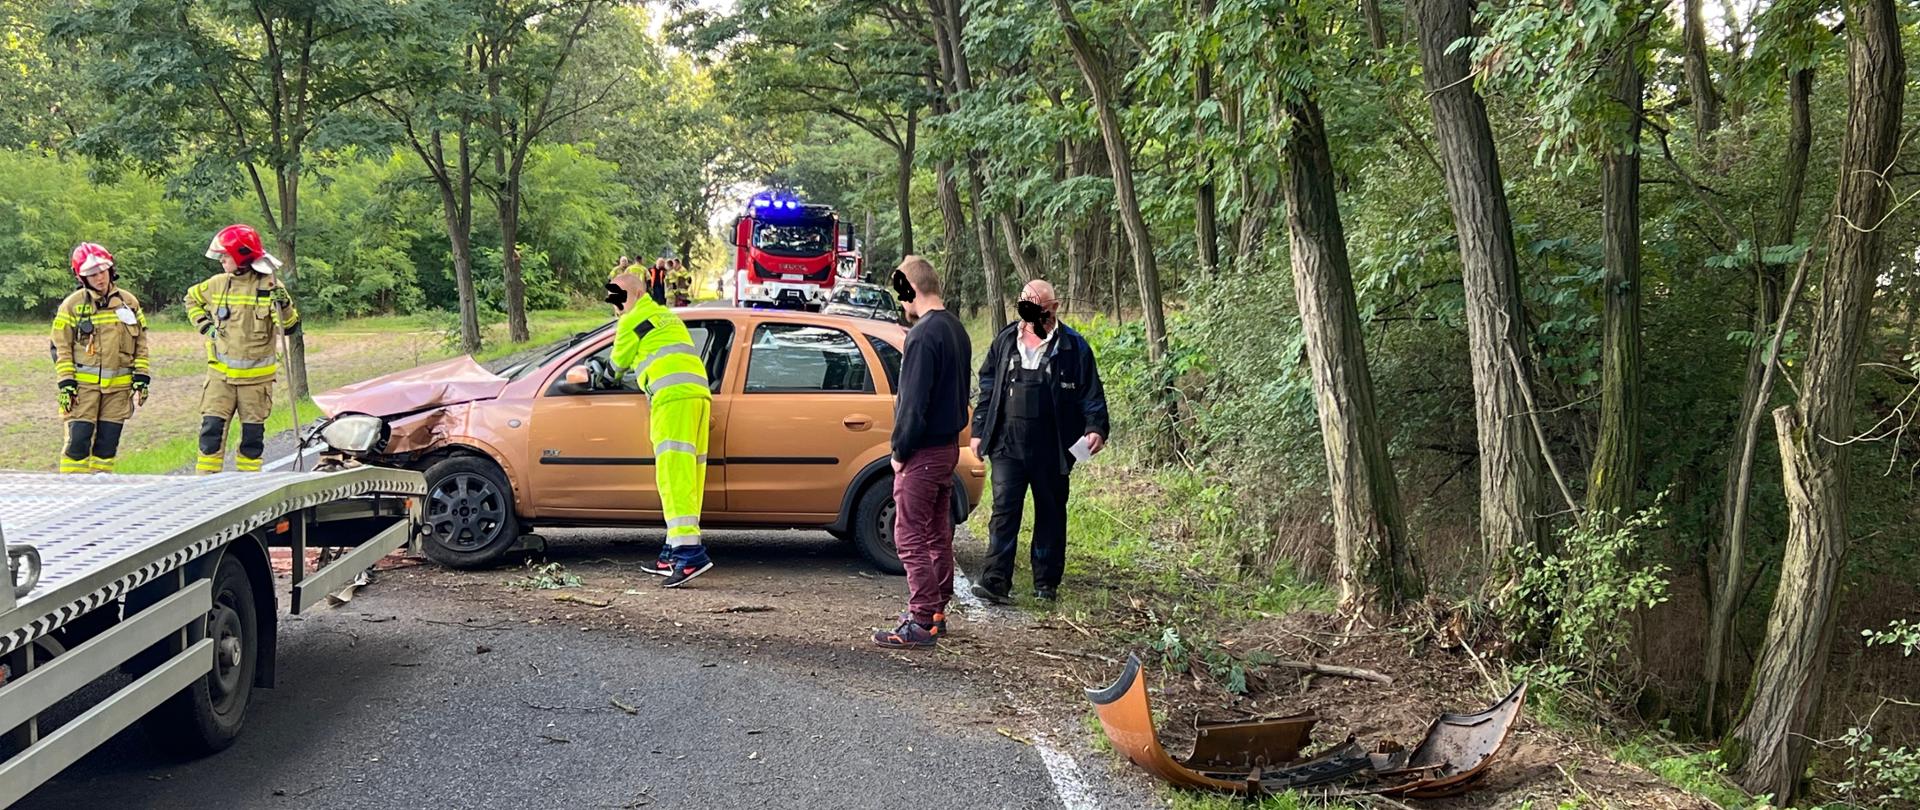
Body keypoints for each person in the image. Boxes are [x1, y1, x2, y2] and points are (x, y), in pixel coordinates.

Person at [969, 279, 1108, 604]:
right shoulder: (1005, 340)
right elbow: (987, 384)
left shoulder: (1075, 347)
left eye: (1038, 305)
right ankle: (995, 580)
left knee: (1051, 512)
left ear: (1053, 308)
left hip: (1054, 446)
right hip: (1007, 443)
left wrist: (1096, 427)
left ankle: (1046, 582)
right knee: (1004, 510)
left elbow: (1091, 394)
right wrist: (979, 428)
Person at [873, 256, 971, 649]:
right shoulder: (957, 330)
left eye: (901, 294)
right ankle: (936, 612)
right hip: (947, 447)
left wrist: (900, 450)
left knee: (909, 534)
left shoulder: (922, 335)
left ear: (911, 288)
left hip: (923, 451)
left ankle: (920, 621)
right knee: (936, 534)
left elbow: (913, 403)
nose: (901, 304)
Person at [606, 271, 715, 587]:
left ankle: (690, 555)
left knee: (673, 477)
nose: (616, 305)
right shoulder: (667, 317)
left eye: (618, 297)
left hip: (672, 400)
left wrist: (599, 373)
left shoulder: (631, 322)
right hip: (697, 397)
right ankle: (671, 553)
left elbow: (614, 368)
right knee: (690, 476)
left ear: (637, 294)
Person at [186, 224, 299, 474]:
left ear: (241, 257)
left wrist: (285, 305)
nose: (222, 261)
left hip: (256, 383)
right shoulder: (216, 284)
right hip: (220, 379)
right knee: (210, 434)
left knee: (252, 440)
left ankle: (248, 488)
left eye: (225, 256)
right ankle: (206, 485)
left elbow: (289, 328)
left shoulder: (270, 286)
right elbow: (191, 298)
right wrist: (206, 327)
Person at [51, 243, 150, 474]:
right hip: (83, 391)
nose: (99, 278)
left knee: (107, 446)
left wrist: (142, 377)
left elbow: (141, 343)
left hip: (117, 391)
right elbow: (60, 347)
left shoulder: (129, 303)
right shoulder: (72, 305)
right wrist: (66, 384)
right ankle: (73, 490)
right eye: (92, 274)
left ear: (110, 270)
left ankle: (101, 490)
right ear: (82, 277)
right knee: (78, 443)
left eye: (102, 271)